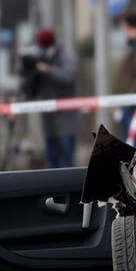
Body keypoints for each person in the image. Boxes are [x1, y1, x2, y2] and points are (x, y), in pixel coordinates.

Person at [29, 28, 79, 168]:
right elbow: (33, 88)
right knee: (52, 157)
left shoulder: (66, 56)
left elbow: (68, 76)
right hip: (49, 119)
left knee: (66, 158)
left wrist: (48, 70)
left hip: (66, 120)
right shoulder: (41, 56)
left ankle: (70, 187)